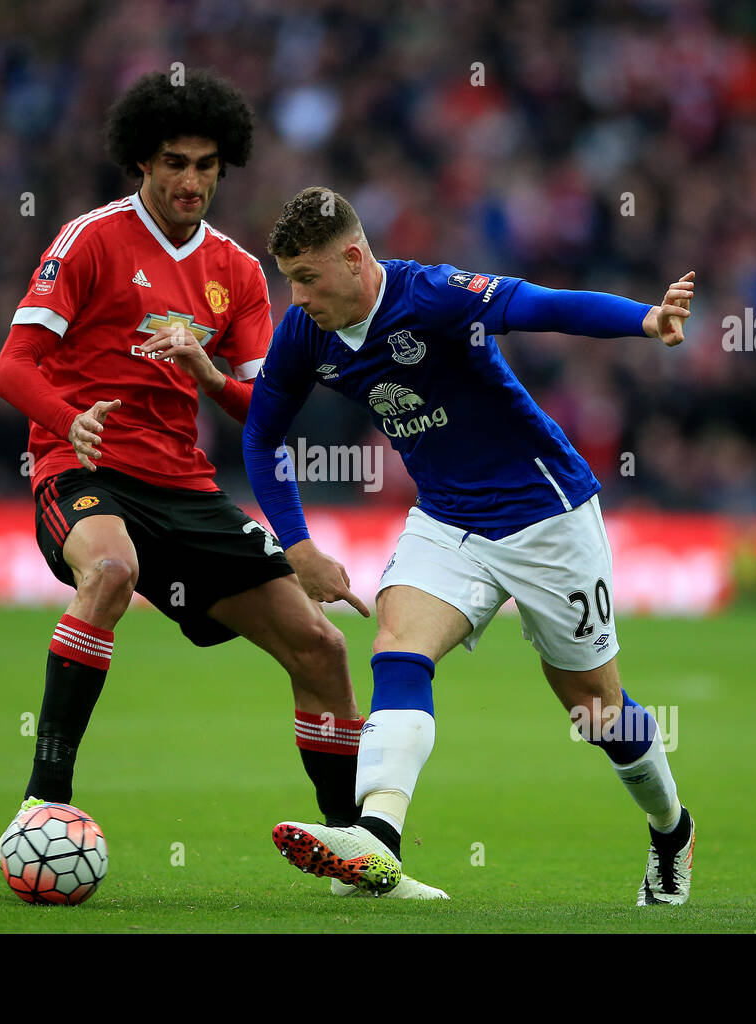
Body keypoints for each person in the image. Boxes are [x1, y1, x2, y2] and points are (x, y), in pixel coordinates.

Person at [0, 73, 445, 900]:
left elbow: (261, 408)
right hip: (84, 471)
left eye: (206, 165)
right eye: (173, 162)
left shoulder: (234, 270)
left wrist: (206, 372)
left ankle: (358, 857)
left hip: (184, 489)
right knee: (112, 571)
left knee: (323, 649)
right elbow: (11, 368)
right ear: (141, 159)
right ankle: (43, 801)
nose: (190, 181)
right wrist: (68, 420)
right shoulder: (90, 240)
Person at [243, 186, 696, 904]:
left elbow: (540, 305)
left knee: (594, 709)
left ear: (355, 260)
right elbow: (261, 434)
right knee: (397, 643)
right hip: (448, 519)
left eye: (307, 278)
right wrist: (295, 543)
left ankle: (671, 828)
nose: (295, 298)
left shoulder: (434, 295)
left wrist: (645, 319)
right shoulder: (306, 333)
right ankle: (378, 841)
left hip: (546, 513)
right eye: (288, 278)